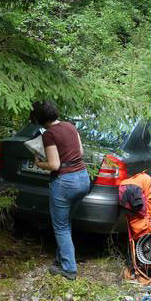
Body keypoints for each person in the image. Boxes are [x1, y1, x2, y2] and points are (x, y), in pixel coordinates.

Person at [30, 100, 90, 280]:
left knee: (61, 226)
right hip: (83, 178)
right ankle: (61, 259)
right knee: (65, 222)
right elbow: (80, 153)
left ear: (39, 118)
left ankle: (69, 269)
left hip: (65, 182)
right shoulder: (70, 126)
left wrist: (39, 163)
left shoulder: (49, 135)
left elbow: (54, 165)